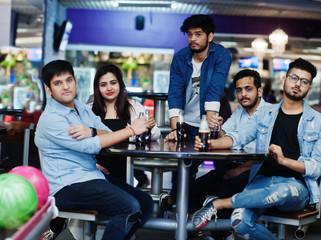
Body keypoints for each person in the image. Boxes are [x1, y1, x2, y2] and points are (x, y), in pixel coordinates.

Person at [192, 58, 321, 240]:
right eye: (294, 78)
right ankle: (225, 204)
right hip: (261, 182)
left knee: (282, 191)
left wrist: (285, 161)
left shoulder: (320, 122)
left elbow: (319, 166)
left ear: (309, 89)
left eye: (304, 81)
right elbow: (238, 137)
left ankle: (220, 203)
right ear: (284, 80)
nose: (298, 84)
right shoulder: (265, 114)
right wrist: (210, 144)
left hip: (295, 188)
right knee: (239, 222)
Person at [35, 60, 153, 240]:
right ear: (49, 90)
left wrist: (91, 131)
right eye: (58, 83)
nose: (65, 87)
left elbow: (107, 134)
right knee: (128, 207)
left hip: (91, 176)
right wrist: (131, 130)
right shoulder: (51, 118)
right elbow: (90, 145)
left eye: (68, 80)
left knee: (145, 203)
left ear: (75, 81)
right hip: (66, 187)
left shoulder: (81, 108)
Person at [160, 14, 232, 216]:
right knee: (184, 170)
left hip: (211, 120)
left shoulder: (221, 55)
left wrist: (209, 126)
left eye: (198, 34)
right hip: (186, 123)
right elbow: (174, 93)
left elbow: (215, 89)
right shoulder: (180, 57)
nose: (193, 39)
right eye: (190, 35)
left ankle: (185, 207)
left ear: (210, 36)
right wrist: (175, 129)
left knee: (223, 168)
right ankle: (182, 211)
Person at [188, 69, 271, 240]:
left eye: (248, 89)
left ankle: (221, 235)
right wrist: (218, 128)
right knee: (195, 186)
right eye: (239, 90)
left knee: (228, 186)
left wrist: (239, 170)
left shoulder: (271, 113)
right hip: (235, 165)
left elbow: (268, 155)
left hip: (259, 171)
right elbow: (227, 137)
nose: (243, 94)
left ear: (259, 91)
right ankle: (193, 228)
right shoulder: (240, 112)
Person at [89, 64, 160, 187]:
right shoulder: (89, 110)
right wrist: (92, 166)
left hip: (125, 167)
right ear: (97, 88)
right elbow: (80, 145)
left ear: (120, 84)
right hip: (95, 171)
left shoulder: (133, 106)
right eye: (103, 85)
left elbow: (155, 135)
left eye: (113, 83)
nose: (109, 88)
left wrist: (150, 127)